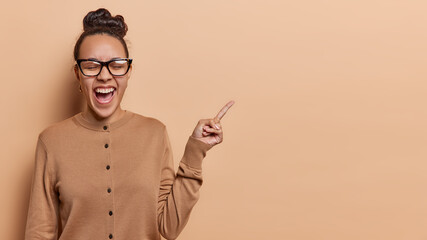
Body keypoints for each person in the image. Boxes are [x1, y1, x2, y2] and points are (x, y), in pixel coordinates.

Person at [24, 8, 234, 240]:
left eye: (117, 64)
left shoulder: (155, 133)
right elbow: (40, 233)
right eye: (92, 65)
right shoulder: (51, 141)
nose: (104, 76)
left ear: (129, 71)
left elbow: (169, 227)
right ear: (78, 74)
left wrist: (195, 151)